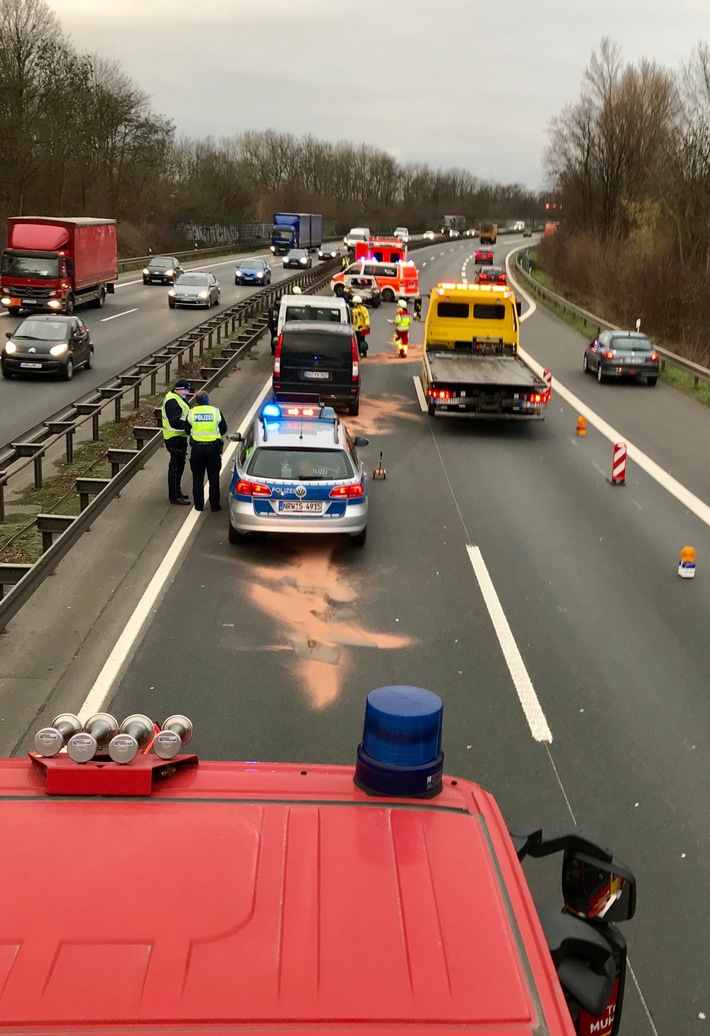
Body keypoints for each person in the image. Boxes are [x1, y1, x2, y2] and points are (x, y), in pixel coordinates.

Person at [187, 390, 228, 512]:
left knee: (197, 477)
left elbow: (186, 429)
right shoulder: (215, 412)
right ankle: (214, 505)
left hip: (197, 449)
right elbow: (223, 428)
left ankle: (198, 506)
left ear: (197, 401)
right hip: (213, 449)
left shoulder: (191, 413)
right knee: (214, 478)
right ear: (208, 400)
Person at [161, 379, 191, 504]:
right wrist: (189, 426)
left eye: (187, 390)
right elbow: (174, 421)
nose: (187, 393)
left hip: (179, 438)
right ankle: (174, 496)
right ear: (178, 389)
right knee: (175, 467)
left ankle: (177, 492)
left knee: (179, 466)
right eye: (185, 390)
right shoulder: (172, 402)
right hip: (175, 438)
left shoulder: (177, 398)